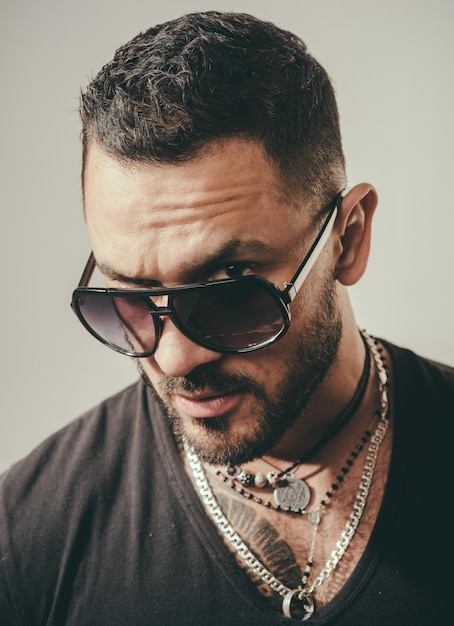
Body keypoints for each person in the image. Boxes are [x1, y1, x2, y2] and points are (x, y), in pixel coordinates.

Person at [0, 11, 452, 625]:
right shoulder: (28, 535)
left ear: (347, 239)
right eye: (128, 299)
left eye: (229, 293)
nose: (174, 359)